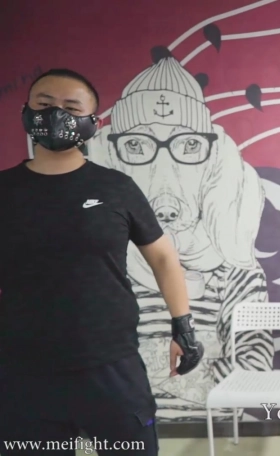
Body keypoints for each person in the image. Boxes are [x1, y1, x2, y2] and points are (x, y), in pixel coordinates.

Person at [0, 68, 204, 455]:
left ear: (92, 122)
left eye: (71, 107)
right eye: (45, 103)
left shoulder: (116, 188)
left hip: (111, 365)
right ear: (26, 111)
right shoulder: (4, 190)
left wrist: (184, 326)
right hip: (24, 370)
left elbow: (163, 256)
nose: (56, 115)